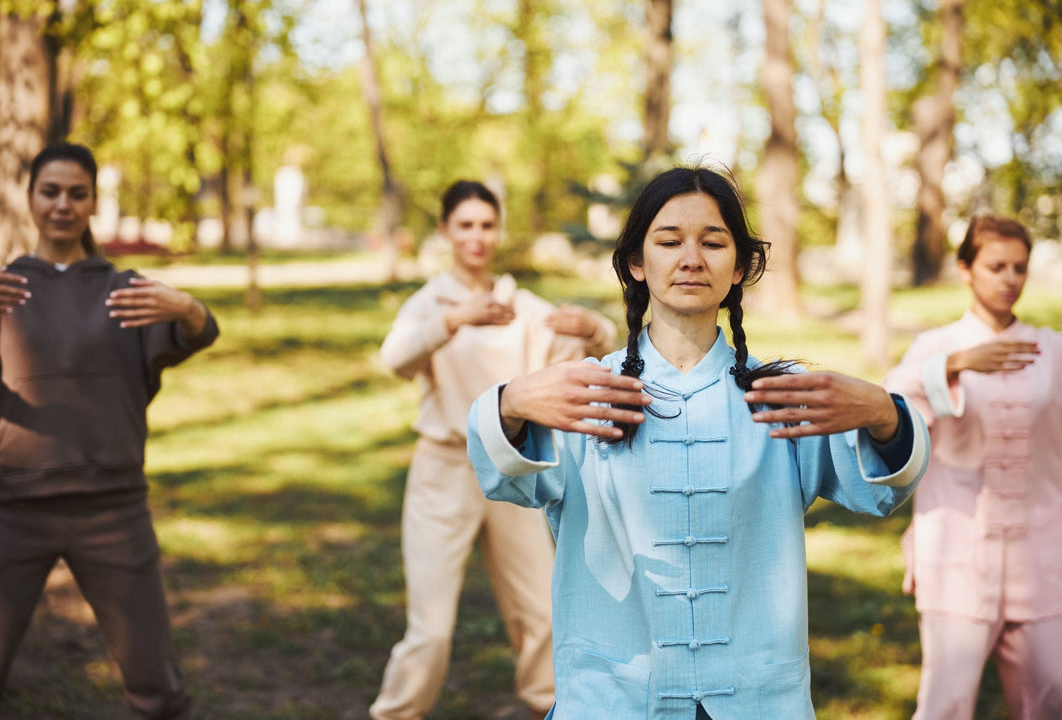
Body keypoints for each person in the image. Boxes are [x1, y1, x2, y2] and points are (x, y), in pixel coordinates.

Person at [465, 166, 930, 719]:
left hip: (756, 698)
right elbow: (505, 478)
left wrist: (884, 415)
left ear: (739, 268)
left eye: (713, 242)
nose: (691, 258)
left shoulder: (780, 398)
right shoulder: (588, 393)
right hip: (614, 698)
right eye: (668, 241)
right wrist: (509, 404)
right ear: (637, 263)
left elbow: (877, 491)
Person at [370, 180, 618, 720]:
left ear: (498, 230)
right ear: (445, 231)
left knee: (541, 615)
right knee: (430, 628)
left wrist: (595, 327)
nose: (477, 237)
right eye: (465, 225)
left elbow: (590, 353)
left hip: (512, 467)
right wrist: (456, 319)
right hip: (443, 470)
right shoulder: (429, 303)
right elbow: (394, 359)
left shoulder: (521, 306)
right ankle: (395, 713)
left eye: (486, 225)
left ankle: (549, 708)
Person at [0, 142, 219, 719]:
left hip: (113, 511)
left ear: (94, 200)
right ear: (29, 199)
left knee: (156, 687)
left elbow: (201, 332)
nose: (63, 205)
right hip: (13, 510)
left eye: (77, 192)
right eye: (51, 191)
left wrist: (188, 307)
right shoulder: (5, 291)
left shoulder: (124, 291)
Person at [883, 215, 1062, 720]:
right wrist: (956, 365)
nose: (1009, 279)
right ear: (966, 269)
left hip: (1045, 560)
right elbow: (888, 405)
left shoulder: (1056, 350)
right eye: (996, 266)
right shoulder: (934, 348)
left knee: (1059, 702)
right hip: (956, 557)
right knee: (945, 706)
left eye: (1019, 268)